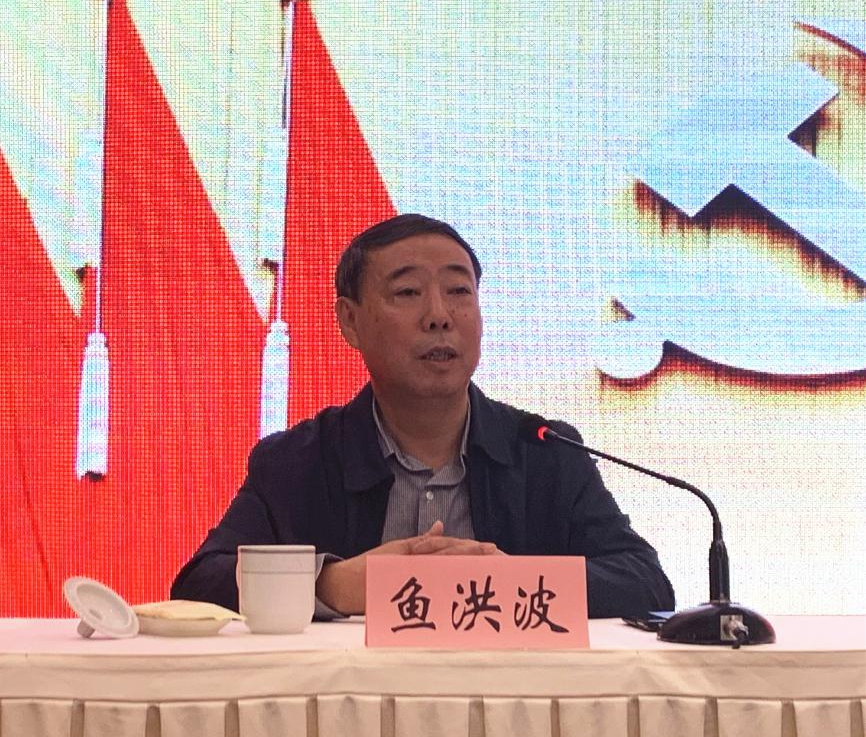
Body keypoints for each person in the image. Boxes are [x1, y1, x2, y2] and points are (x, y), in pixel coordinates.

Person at [171, 214, 675, 618]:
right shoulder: (297, 462)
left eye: (459, 292)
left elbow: (645, 582)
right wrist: (331, 585)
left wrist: (516, 583)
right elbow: (200, 585)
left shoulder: (544, 451)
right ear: (350, 321)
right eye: (408, 293)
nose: (439, 316)